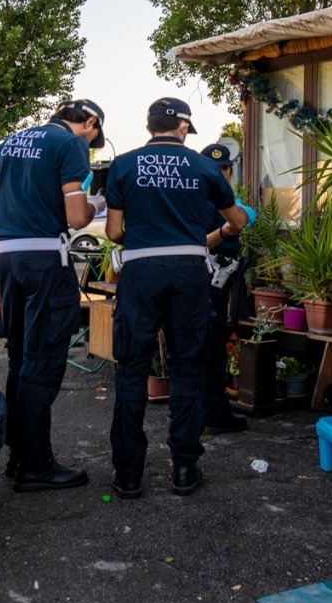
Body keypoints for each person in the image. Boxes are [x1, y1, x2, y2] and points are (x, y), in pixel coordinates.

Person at [104, 97, 246, 499]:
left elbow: (114, 232)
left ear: (150, 125)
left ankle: (129, 474)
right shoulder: (203, 166)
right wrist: (230, 228)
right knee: (188, 367)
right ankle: (184, 467)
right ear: (183, 127)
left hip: (141, 272)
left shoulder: (124, 165)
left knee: (131, 368)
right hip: (189, 273)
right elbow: (235, 219)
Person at [0, 98, 106, 493]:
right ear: (90, 122)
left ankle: (17, 453)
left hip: (7, 258)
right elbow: (77, 218)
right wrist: (96, 202)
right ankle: (37, 464)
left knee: (19, 356)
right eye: (95, 136)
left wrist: (25, 206)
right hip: (45, 258)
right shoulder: (70, 145)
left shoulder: (12, 141)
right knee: (43, 357)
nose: (92, 142)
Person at [199, 142, 253, 434]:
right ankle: (214, 415)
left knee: (212, 345)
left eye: (224, 168)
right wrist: (225, 231)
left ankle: (208, 411)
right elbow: (198, 243)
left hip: (221, 281)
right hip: (207, 281)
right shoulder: (202, 201)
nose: (220, 173)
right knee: (209, 347)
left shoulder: (227, 200)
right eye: (214, 169)